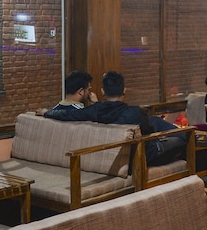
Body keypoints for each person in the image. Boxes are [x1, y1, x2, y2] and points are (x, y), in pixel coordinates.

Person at [46, 71, 186, 165]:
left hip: (119, 155)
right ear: (124, 90)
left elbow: (67, 114)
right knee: (182, 139)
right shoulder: (135, 112)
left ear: (102, 92)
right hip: (142, 157)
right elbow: (149, 131)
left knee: (155, 121)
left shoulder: (92, 112)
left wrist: (46, 113)